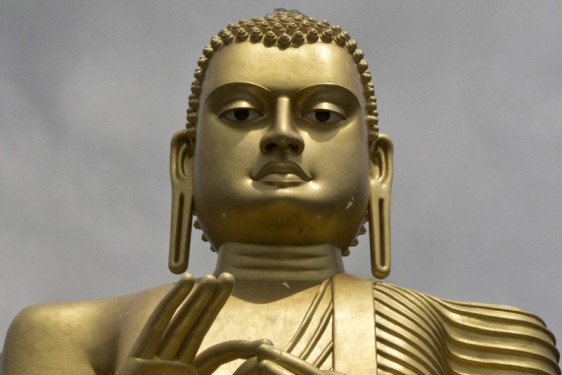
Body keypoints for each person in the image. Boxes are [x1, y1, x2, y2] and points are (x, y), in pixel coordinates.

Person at [1, 10, 559, 374]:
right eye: (242, 112)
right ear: (186, 162)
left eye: (322, 114)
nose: (283, 136)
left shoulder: (478, 341)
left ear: (376, 166)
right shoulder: (73, 338)